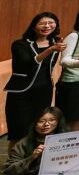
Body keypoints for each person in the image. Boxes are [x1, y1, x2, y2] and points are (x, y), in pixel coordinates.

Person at [6, 12, 64, 143]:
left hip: (44, 91)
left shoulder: (55, 42)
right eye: (42, 23)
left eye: (51, 23)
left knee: (41, 129)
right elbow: (27, 63)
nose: (47, 26)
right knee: (19, 132)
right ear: (33, 26)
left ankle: (37, 156)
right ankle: (16, 156)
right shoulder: (20, 44)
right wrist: (50, 50)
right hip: (21, 93)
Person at [1, 107, 66, 175]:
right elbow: (10, 170)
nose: (46, 124)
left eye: (52, 120)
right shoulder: (23, 143)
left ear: (58, 122)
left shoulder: (66, 139)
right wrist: (32, 157)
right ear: (34, 123)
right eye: (41, 121)